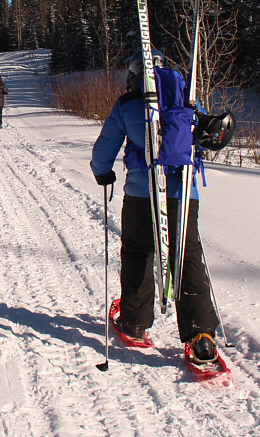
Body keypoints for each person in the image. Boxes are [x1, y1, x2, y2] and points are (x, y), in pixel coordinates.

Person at [90, 50, 220, 364]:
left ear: (134, 76)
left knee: (138, 251)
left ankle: (134, 322)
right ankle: (200, 334)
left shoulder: (127, 104)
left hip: (140, 194)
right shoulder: (186, 100)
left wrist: (102, 172)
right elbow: (202, 137)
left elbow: (104, 150)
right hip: (183, 194)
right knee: (187, 255)